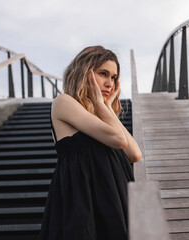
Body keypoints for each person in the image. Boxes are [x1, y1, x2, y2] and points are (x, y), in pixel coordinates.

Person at [39, 46, 141, 240]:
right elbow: (118, 139)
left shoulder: (102, 116)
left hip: (113, 197)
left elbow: (134, 153)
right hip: (83, 199)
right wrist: (102, 105)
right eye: (103, 74)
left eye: (113, 77)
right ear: (84, 72)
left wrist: (107, 108)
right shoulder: (63, 102)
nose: (110, 83)